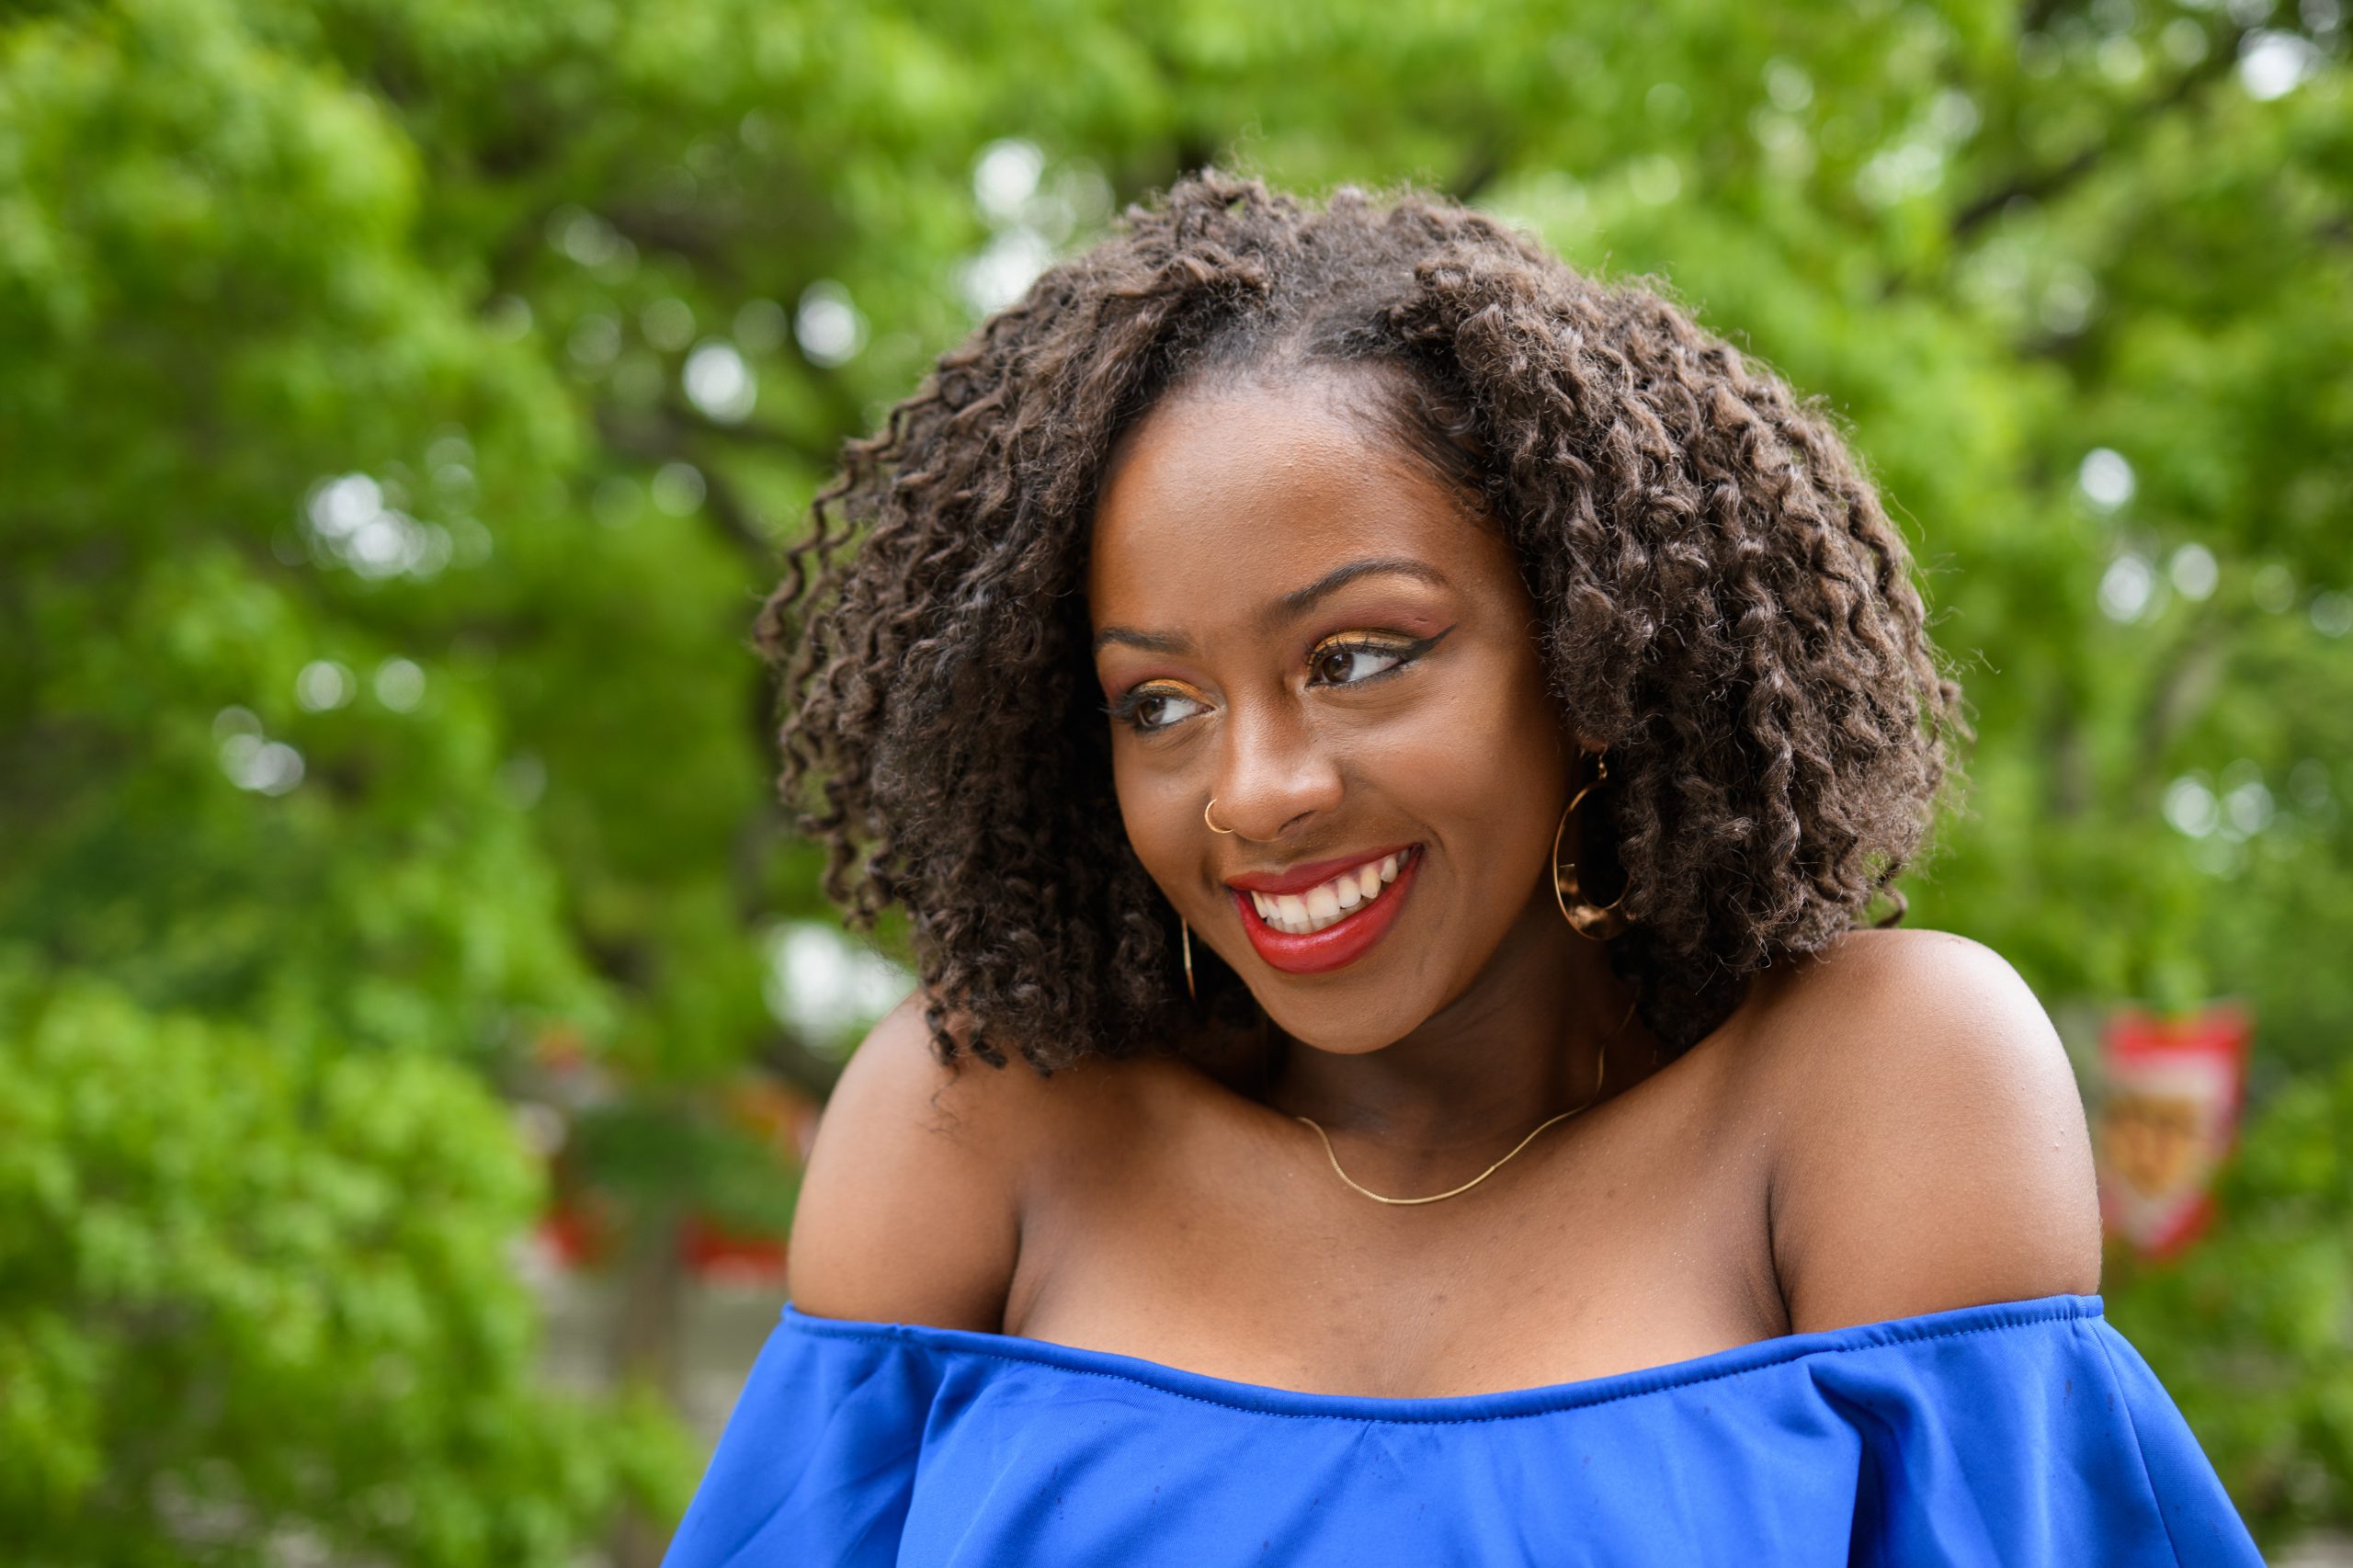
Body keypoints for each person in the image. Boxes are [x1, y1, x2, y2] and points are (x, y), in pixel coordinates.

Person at [665, 174, 2263, 1565]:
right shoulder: (976, 1126)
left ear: (1591, 656)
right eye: (1159, 702)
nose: (1254, 793)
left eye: (1358, 657)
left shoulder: (1870, 1091)